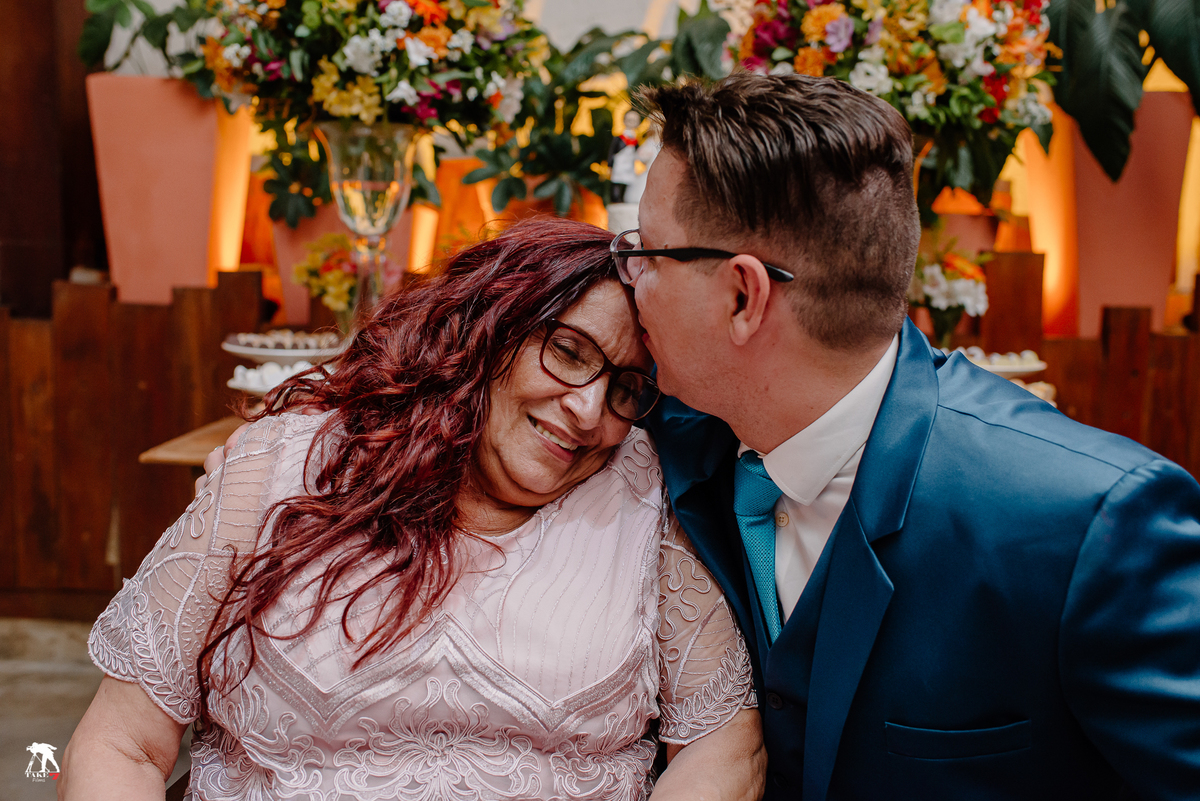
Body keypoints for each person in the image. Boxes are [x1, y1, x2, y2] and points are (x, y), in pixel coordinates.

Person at [613, 72, 1200, 799]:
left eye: (648, 250)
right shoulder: (648, 432)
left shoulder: (1091, 525)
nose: (629, 276)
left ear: (743, 295)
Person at [62, 219, 765, 801]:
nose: (587, 410)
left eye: (625, 388)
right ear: (490, 329)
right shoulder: (280, 467)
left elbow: (722, 746)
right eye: (568, 351)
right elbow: (120, 743)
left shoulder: (644, 492)